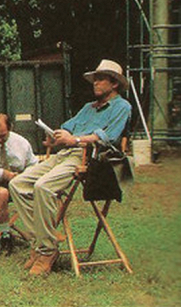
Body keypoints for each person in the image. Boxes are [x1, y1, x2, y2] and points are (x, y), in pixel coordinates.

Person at [9, 59, 132, 276]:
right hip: (64, 153)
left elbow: (108, 137)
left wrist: (73, 140)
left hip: (87, 157)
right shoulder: (88, 108)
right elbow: (68, 127)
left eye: (100, 79)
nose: (95, 83)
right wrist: (56, 136)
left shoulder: (122, 107)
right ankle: (41, 240)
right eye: (94, 79)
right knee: (17, 184)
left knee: (43, 188)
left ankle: (46, 251)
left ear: (114, 84)